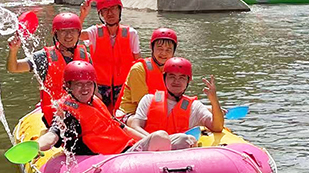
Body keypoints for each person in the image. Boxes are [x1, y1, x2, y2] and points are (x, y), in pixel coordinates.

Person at [36, 61, 194, 155]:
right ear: (68, 86)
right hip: (113, 159)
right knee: (160, 137)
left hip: (127, 148)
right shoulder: (68, 114)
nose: (85, 89)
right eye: (79, 84)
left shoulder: (95, 102)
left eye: (89, 84)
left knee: (184, 139)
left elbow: (123, 128)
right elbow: (53, 135)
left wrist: (147, 139)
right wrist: (37, 147)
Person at [7, 12, 90, 126]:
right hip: (56, 118)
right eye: (63, 31)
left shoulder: (85, 56)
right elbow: (14, 68)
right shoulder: (43, 57)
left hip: (83, 115)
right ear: (56, 33)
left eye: (72, 31)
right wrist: (13, 50)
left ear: (78, 33)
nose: (68, 36)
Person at [128, 57, 224, 135]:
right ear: (164, 78)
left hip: (180, 149)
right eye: (172, 77)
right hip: (150, 148)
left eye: (182, 77)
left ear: (188, 81)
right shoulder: (148, 100)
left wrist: (214, 100)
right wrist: (155, 140)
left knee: (184, 139)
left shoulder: (195, 107)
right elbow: (135, 126)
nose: (176, 81)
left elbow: (217, 127)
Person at [79, 0, 141, 113]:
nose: (110, 13)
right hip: (99, 89)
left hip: (124, 88)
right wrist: (83, 15)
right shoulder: (95, 32)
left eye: (113, 8)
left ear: (119, 10)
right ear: (101, 14)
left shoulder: (131, 34)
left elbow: (138, 63)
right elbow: (76, 35)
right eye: (105, 10)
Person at [117, 28, 178, 120]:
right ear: (152, 48)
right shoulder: (138, 69)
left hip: (159, 111)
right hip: (132, 115)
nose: (163, 53)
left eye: (168, 50)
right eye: (160, 48)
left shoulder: (173, 70)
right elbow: (142, 104)